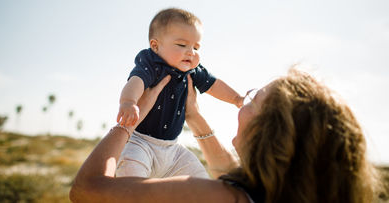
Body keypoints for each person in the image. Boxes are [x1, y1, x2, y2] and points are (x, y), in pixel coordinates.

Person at [70, 68, 379, 203]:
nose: (240, 105)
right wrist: (194, 117)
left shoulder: (216, 198)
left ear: (271, 133)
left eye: (253, 100)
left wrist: (128, 124)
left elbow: (87, 191)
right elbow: (228, 172)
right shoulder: (287, 193)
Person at [115, 8, 243, 178]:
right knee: (131, 172)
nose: (191, 52)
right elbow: (136, 81)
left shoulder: (192, 70)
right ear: (155, 46)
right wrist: (128, 102)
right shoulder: (152, 64)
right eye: (182, 45)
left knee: (199, 178)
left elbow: (214, 84)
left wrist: (236, 98)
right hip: (140, 142)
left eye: (196, 47)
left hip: (173, 149)